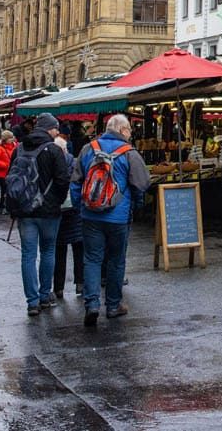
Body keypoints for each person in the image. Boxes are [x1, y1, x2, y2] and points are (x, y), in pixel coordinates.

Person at [69, 113, 149, 329]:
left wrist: (80, 206)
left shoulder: (88, 148)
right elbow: (142, 183)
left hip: (90, 215)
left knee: (92, 259)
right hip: (118, 217)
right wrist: (135, 205)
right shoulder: (129, 153)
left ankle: (92, 304)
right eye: (130, 130)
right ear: (122, 130)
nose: (130, 134)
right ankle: (113, 305)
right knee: (116, 260)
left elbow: (75, 182)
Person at [8, 114, 71, 317]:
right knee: (48, 251)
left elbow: (11, 179)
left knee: (28, 255)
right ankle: (45, 295)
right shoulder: (53, 150)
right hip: (49, 210)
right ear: (49, 129)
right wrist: (57, 201)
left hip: (25, 210)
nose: (56, 132)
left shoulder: (19, 148)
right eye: (55, 129)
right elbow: (62, 180)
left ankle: (32, 302)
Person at [52, 132, 86, 301]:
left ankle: (58, 287)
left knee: (59, 250)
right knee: (79, 248)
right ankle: (81, 283)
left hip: (58, 212)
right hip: (76, 210)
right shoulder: (75, 162)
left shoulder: (51, 164)